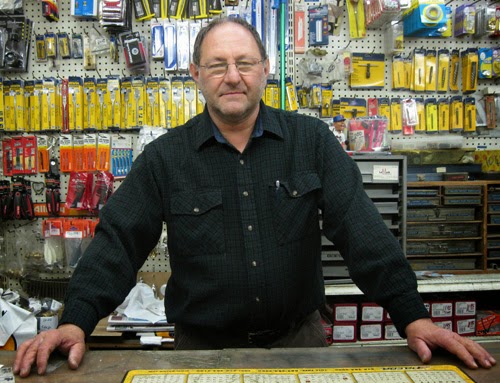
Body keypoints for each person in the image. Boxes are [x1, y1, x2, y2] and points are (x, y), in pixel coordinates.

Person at [14, 17, 496, 377]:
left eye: (244, 63)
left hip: (301, 344)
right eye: (218, 65)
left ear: (265, 69)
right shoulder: (165, 158)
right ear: (195, 73)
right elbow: (117, 243)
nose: (232, 76)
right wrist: (75, 321)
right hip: (201, 354)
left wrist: (413, 317)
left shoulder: (311, 141)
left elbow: (363, 231)